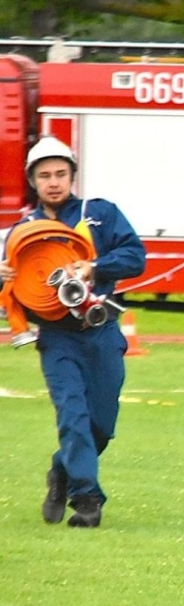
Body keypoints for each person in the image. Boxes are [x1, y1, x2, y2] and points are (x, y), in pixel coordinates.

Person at [0, 136, 146, 528]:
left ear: (72, 175)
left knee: (102, 424)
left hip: (102, 331)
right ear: (33, 180)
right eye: (44, 175)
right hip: (57, 337)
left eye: (60, 174)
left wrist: (94, 267)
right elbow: (12, 298)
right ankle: (87, 501)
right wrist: (4, 278)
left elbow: (136, 257)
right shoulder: (19, 232)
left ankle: (61, 472)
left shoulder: (99, 213)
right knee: (73, 416)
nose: (53, 182)